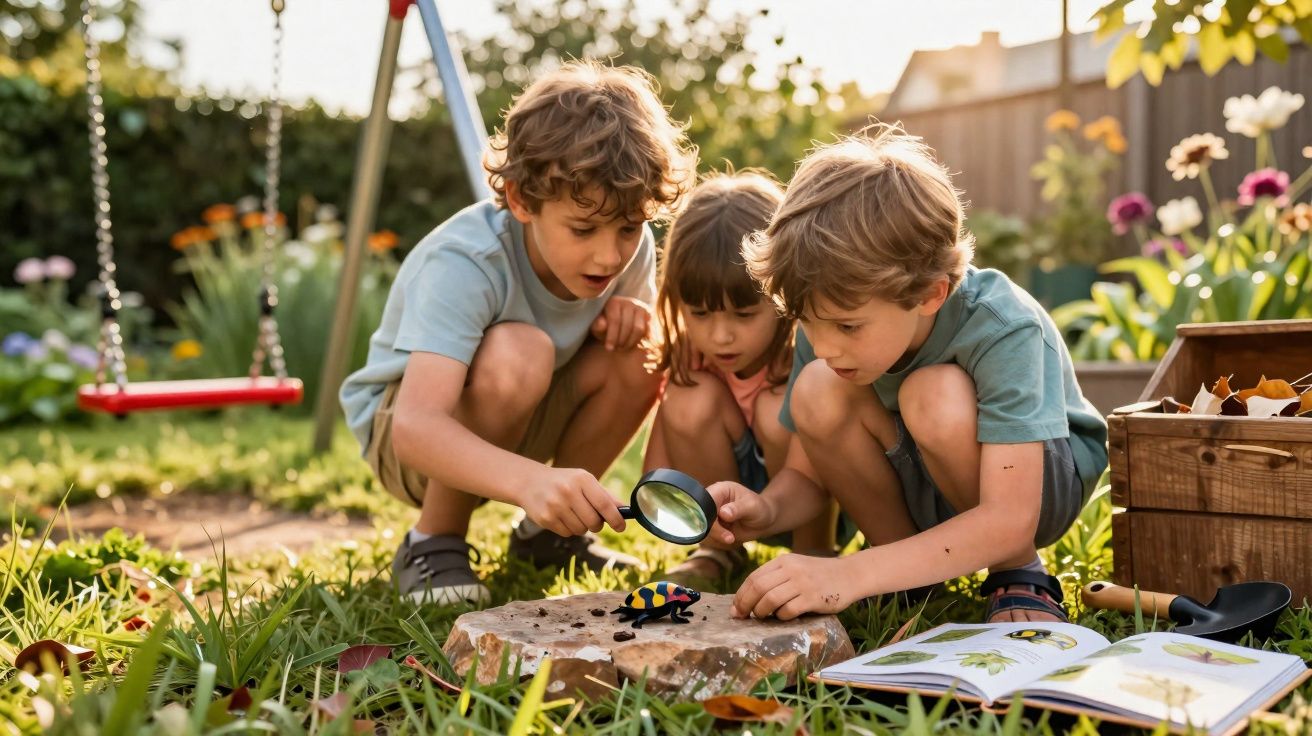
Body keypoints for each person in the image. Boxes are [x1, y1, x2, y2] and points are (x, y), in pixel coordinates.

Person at [708, 127, 1108, 623]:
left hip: (1031, 491)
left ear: (930, 295)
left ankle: (1017, 574)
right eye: (808, 322)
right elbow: (806, 476)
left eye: (848, 326)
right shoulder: (830, 314)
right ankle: (910, 578)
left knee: (931, 393)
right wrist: (764, 510)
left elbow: (1010, 518)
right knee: (817, 390)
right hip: (920, 476)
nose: (825, 345)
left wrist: (847, 575)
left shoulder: (1003, 327)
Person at [340, 61, 696, 605]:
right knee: (521, 349)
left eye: (628, 228)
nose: (609, 254)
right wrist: (530, 482)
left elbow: (623, 341)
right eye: (583, 229)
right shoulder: (466, 260)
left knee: (641, 349)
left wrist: (629, 312)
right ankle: (433, 541)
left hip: (522, 415)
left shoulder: (630, 251)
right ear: (521, 201)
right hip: (409, 439)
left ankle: (550, 536)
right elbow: (416, 426)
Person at [642, 171, 838, 590]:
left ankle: (815, 551)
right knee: (689, 397)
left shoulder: (810, 347)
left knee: (776, 408)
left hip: (815, 494)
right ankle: (719, 546)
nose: (720, 336)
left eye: (744, 315)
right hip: (738, 498)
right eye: (700, 313)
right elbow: (654, 472)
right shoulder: (693, 356)